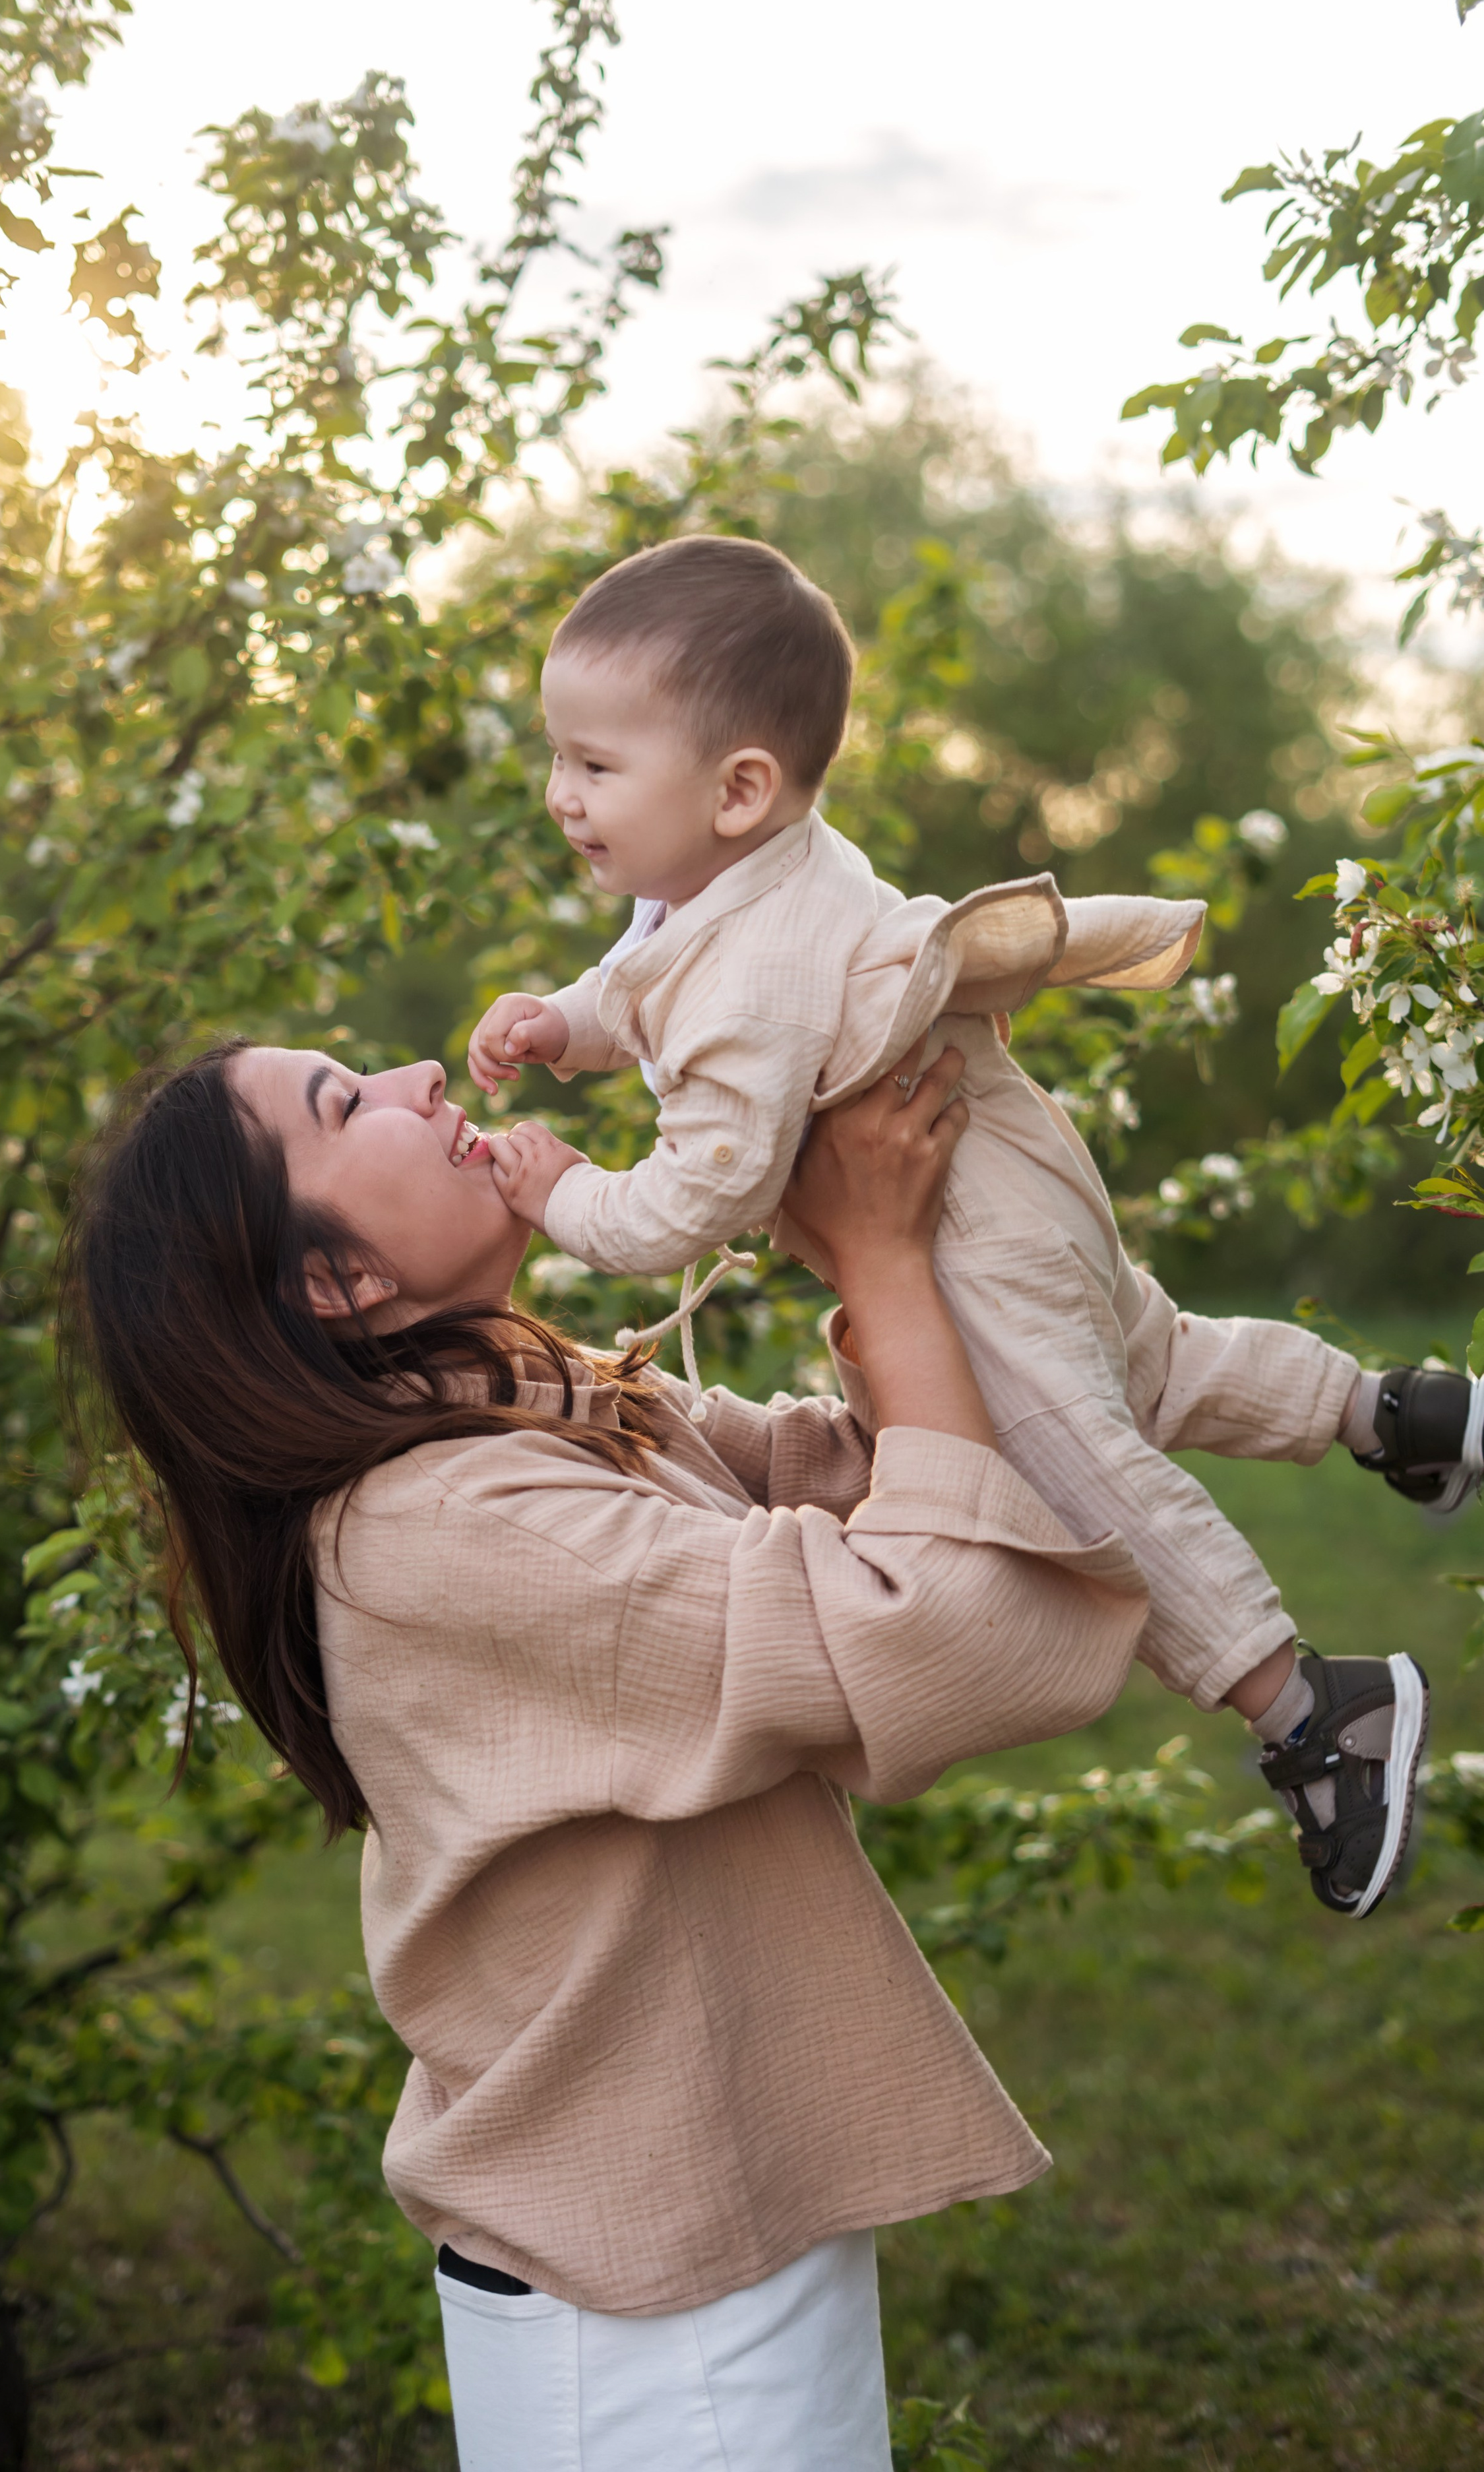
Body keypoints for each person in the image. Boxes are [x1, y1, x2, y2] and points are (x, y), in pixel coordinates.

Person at [65, 1029, 1156, 2470]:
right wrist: (880, 1260)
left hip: (699, 2220)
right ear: (335, 1282)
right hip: (651, 2320)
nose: (419, 1081)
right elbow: (938, 1625)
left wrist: (838, 1210)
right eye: (346, 1104)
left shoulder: (528, 1406)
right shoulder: (450, 1525)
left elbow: (887, 1468)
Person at [466, 534, 1446, 1919]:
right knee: (1151, 1360)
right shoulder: (763, 875)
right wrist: (565, 1023)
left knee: (1073, 1467)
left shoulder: (744, 976)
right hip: (1010, 1163)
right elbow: (645, 977)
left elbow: (700, 1197)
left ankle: (1311, 1711)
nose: (560, 794)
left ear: (737, 788)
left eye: (593, 764)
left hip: (959, 1229)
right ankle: (1399, 1413)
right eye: (557, 755)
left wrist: (560, 1190)